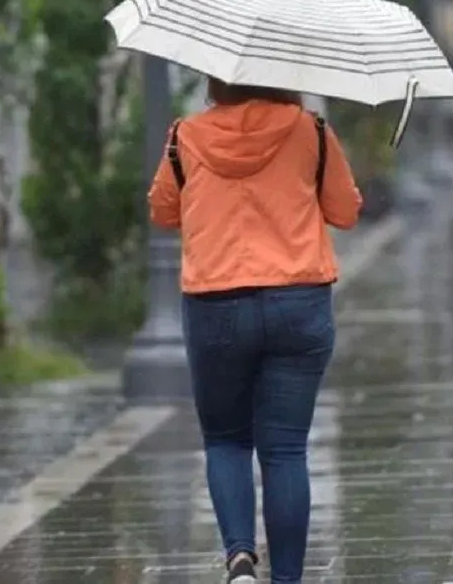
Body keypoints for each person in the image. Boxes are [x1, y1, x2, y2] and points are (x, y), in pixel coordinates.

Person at [148, 78, 363, 584]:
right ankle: (287, 579)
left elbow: (162, 211)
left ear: (216, 81)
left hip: (215, 303)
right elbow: (346, 212)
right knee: (285, 449)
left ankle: (240, 560)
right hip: (299, 301)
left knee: (226, 440)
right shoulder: (309, 131)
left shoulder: (186, 136)